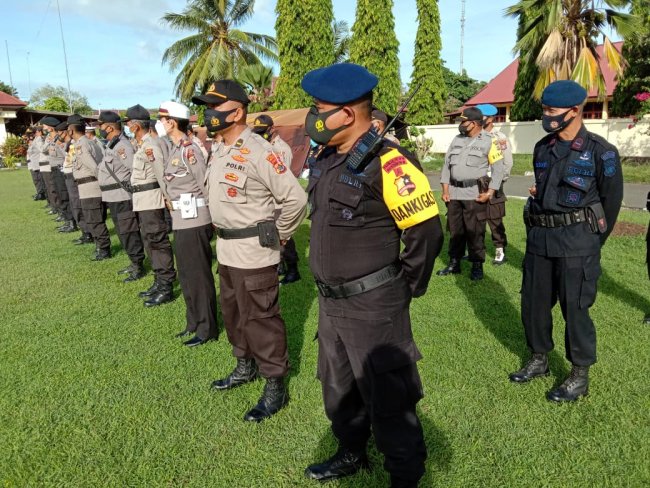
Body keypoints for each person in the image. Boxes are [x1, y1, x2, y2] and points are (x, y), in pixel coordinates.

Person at [300, 63, 444, 487]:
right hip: (331, 301)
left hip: (374, 304)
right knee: (338, 386)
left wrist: (406, 287)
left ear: (346, 113)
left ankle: (405, 474)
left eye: (318, 108)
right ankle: (351, 451)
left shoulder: (390, 162)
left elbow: (425, 231)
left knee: (389, 396)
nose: (312, 116)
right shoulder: (325, 159)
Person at [194, 80, 307, 422]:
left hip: (255, 251)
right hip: (226, 249)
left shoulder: (259, 150)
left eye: (216, 106)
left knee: (261, 318)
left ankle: (275, 383)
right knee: (234, 314)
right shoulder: (220, 149)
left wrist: (282, 236)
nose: (210, 114)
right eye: (207, 107)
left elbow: (296, 199)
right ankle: (244, 366)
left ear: (238, 111)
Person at [509, 80, 623, 402]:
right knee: (533, 305)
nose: (547, 115)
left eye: (552, 110)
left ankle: (578, 376)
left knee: (575, 310)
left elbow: (611, 203)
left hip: (577, 243)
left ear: (575, 111)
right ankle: (539, 359)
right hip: (541, 240)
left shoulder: (602, 152)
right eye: (544, 109)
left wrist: (591, 242)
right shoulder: (543, 148)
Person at [158, 101, 218, 346]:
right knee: (186, 275)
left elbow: (205, 185)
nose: (160, 124)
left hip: (195, 220)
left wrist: (214, 219)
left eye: (162, 119)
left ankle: (207, 328)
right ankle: (193, 321)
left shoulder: (189, 149)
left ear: (171, 122)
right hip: (181, 220)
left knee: (198, 277)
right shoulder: (175, 149)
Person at [437, 107, 505, 280]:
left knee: (475, 231)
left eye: (463, 121)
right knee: (455, 230)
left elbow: (498, 169)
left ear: (473, 123)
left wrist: (490, 192)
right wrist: (445, 189)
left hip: (474, 194)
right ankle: (454, 263)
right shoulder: (456, 139)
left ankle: (477, 265)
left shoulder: (490, 141)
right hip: (454, 194)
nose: (461, 124)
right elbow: (446, 165)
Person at [123, 104, 176, 306]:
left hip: (152, 199)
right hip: (142, 200)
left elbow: (162, 174)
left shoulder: (151, 146)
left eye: (128, 122)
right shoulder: (142, 145)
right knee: (149, 241)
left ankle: (166, 285)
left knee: (157, 241)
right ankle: (158, 280)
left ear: (136, 126)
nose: (127, 126)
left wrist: (168, 198)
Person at [251, 114, 301, 285]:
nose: (260, 135)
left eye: (262, 131)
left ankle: (293, 270)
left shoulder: (281, 149)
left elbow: (281, 178)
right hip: (266, 201)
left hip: (279, 201)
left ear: (271, 129)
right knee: (270, 236)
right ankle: (279, 266)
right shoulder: (261, 146)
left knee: (284, 237)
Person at [97, 111, 147, 283]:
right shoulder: (112, 144)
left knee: (129, 231)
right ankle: (133, 262)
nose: (100, 128)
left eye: (101, 125)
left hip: (122, 196)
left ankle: (138, 264)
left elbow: (135, 170)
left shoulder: (122, 146)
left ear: (109, 127)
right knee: (122, 232)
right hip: (112, 196)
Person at [69, 114, 111, 261]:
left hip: (90, 187)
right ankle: (102, 246)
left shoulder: (81, 145)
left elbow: (94, 167)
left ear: (70, 130)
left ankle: (104, 249)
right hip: (91, 187)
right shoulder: (91, 142)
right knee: (96, 218)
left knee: (94, 220)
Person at [475, 104, 513, 265]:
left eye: (481, 116)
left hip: (493, 182)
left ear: (490, 119)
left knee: (494, 218)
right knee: (476, 218)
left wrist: (498, 181)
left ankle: (499, 250)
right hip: (475, 182)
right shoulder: (472, 136)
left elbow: (507, 161)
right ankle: (477, 249)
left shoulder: (499, 137)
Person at [26, 127, 47, 200]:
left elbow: (41, 149)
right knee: (36, 180)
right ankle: (40, 193)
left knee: (39, 179)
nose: (30, 135)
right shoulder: (35, 140)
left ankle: (42, 194)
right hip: (34, 163)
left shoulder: (38, 139)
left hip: (38, 163)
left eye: (32, 133)